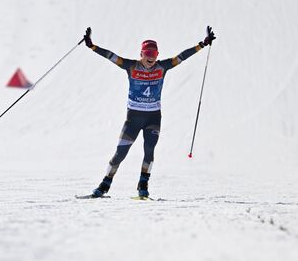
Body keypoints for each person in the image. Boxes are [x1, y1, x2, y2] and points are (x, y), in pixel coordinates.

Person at [83, 26, 216, 198]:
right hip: (133, 119)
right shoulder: (131, 66)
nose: (151, 58)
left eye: (154, 54)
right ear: (141, 54)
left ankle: (143, 186)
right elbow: (111, 56)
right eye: (148, 54)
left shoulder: (162, 67)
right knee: (119, 154)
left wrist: (202, 44)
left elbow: (181, 57)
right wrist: (92, 46)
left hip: (153, 118)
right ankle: (103, 185)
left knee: (149, 151)